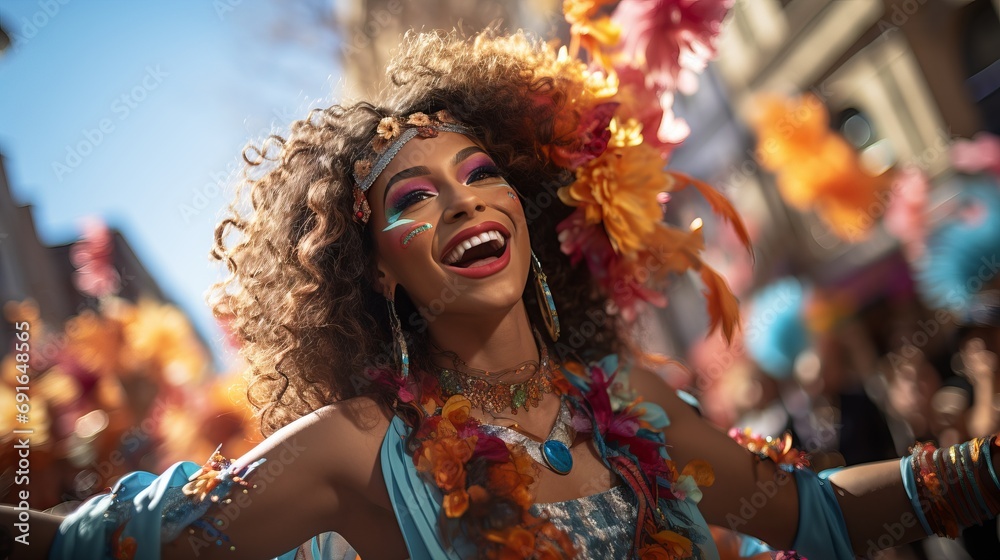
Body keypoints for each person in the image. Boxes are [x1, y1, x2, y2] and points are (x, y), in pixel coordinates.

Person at [6, 25, 1000, 560]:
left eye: (481, 173)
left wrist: (983, 469)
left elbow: (813, 514)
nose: (463, 202)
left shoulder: (630, 404)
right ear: (372, 270)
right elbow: (110, 544)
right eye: (413, 195)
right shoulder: (359, 445)